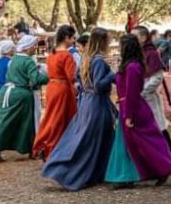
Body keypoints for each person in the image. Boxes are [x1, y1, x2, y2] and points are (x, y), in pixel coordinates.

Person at [42, 28, 116, 190]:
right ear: (102, 42)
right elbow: (99, 86)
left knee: (89, 137)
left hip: (87, 102)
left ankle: (101, 172)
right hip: (97, 103)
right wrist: (113, 75)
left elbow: (80, 81)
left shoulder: (85, 59)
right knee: (90, 140)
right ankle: (70, 172)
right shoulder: (99, 61)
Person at [105, 34, 171, 188]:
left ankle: (162, 169)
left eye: (120, 46)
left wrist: (129, 115)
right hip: (128, 107)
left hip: (133, 108)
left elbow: (132, 93)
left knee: (145, 142)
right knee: (126, 143)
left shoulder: (133, 67)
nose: (118, 48)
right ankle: (126, 176)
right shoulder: (130, 66)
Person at [0, 35, 49, 162]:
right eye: (34, 45)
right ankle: (32, 149)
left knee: (4, 121)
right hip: (21, 94)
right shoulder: (28, 61)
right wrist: (50, 76)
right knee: (27, 124)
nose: (35, 48)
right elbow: (36, 79)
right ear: (28, 47)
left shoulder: (13, 59)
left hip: (7, 92)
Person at [32, 25, 78, 161]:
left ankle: (43, 143)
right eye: (72, 38)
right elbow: (71, 76)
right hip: (63, 88)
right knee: (59, 119)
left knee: (51, 116)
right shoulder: (67, 56)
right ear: (66, 38)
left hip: (52, 87)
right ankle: (49, 147)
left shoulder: (51, 55)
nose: (74, 40)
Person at [133, 26, 171, 158]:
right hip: (140, 95)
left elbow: (158, 77)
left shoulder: (151, 53)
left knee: (158, 124)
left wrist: (144, 91)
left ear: (143, 37)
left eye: (135, 36)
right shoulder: (138, 52)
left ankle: (168, 152)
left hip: (149, 95)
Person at [69, 33, 90, 100]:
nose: (78, 49)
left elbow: (79, 68)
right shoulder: (83, 56)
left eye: (79, 46)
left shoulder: (77, 55)